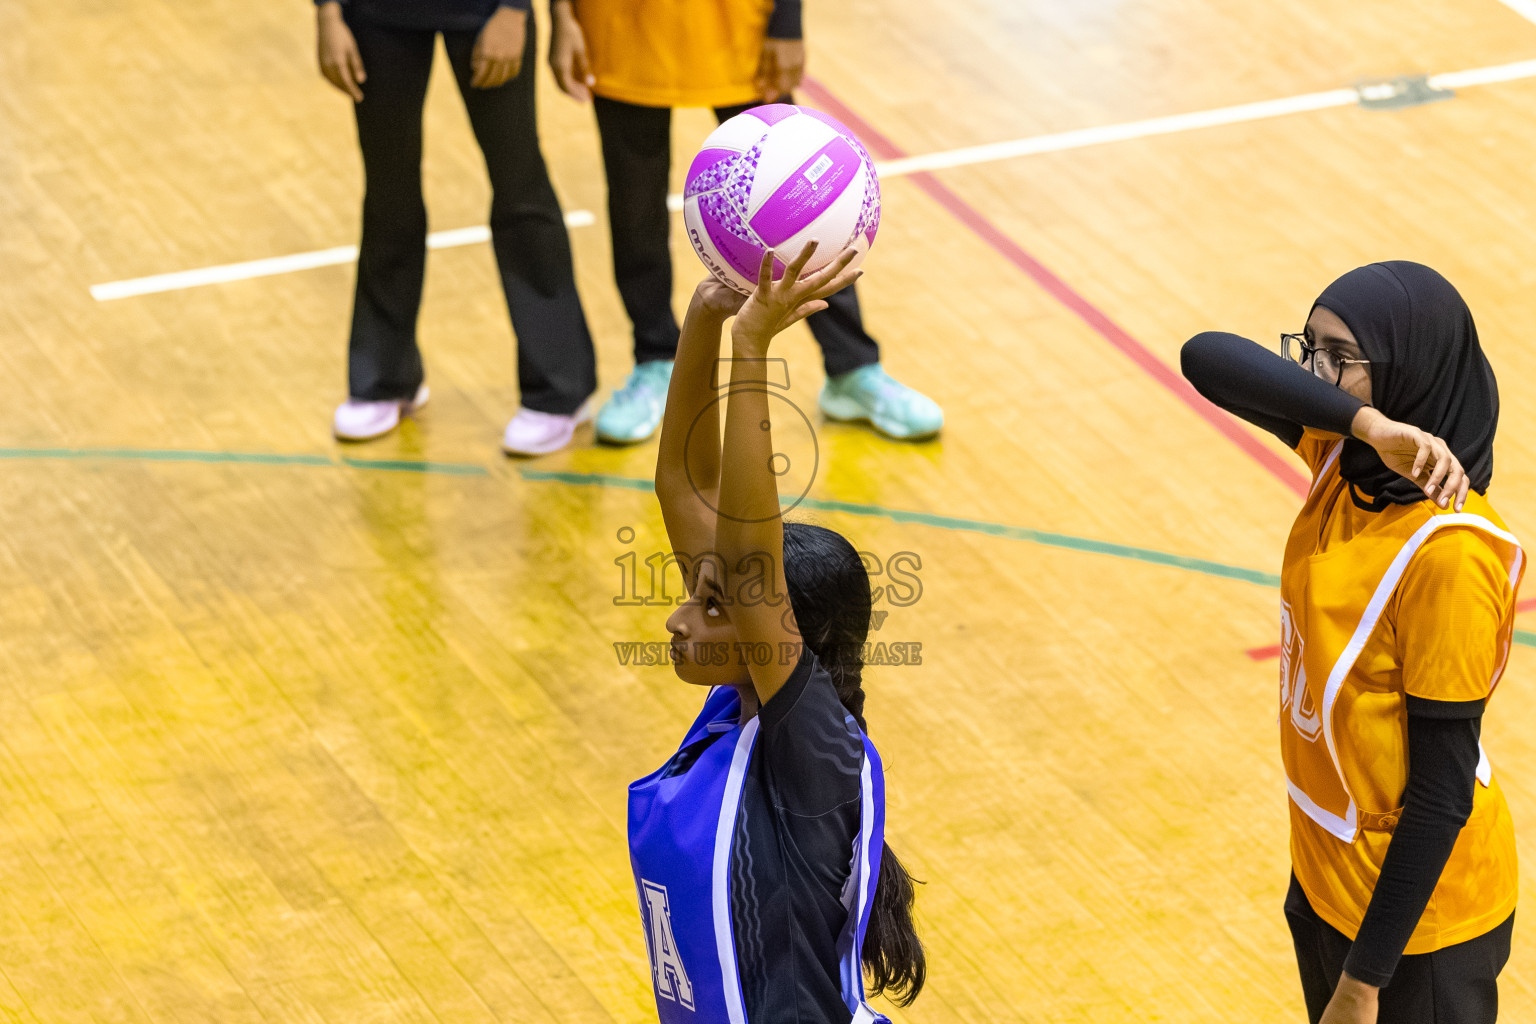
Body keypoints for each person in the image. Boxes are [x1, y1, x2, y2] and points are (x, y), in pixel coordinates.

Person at [1181, 262, 1524, 1024]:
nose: (1314, 375)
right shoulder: (1346, 459)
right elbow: (1204, 356)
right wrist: (1366, 423)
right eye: (1310, 349)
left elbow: (1440, 796)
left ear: (1411, 373)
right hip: (1327, 876)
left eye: (1340, 359)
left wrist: (1364, 982)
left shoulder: (1451, 557)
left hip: (1417, 932)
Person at [631, 242, 925, 1023]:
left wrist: (753, 350)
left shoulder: (815, 749)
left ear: (787, 632)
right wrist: (704, 317)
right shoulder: (737, 710)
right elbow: (684, 483)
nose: (678, 619)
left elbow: (750, 565)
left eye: (714, 608)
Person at [545, 0, 944, 446]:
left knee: (808, 205)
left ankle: (852, 367)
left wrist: (786, 23)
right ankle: (655, 358)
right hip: (620, 29)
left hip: (741, 25)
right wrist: (561, 13)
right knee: (634, 206)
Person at [316, 0, 599, 455]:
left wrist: (513, 10)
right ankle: (386, 379)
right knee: (388, 194)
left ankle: (559, 389)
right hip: (374, 18)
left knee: (519, 187)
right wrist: (328, 13)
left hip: (486, 12)